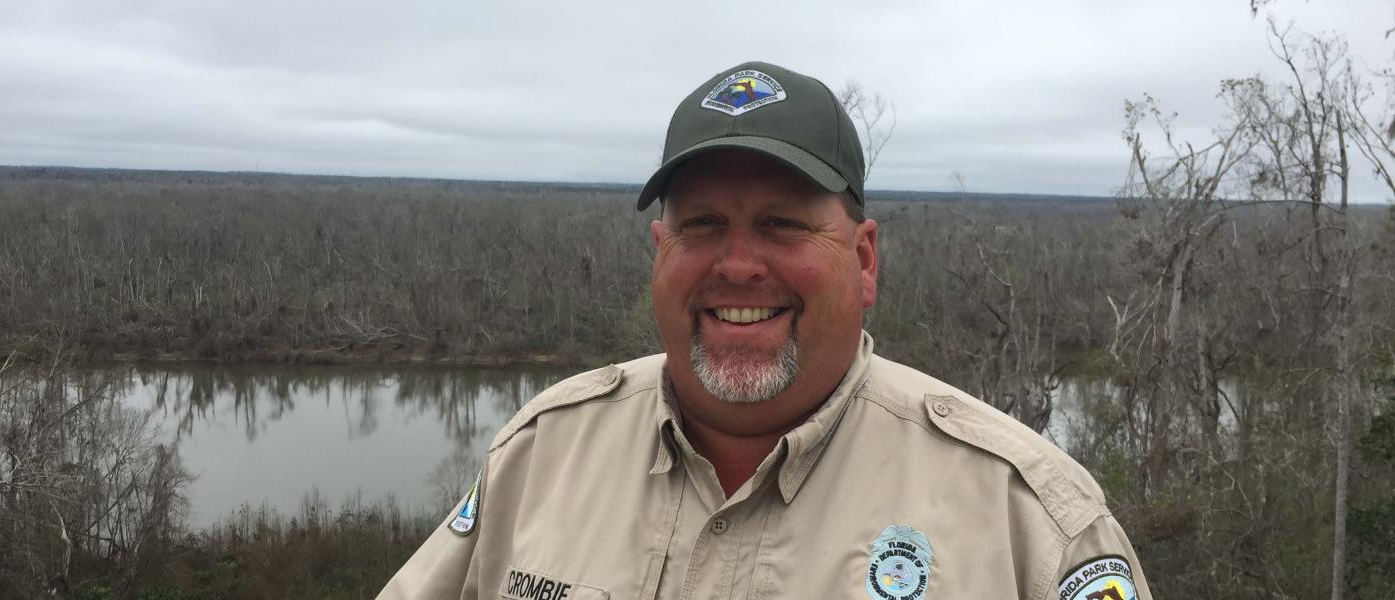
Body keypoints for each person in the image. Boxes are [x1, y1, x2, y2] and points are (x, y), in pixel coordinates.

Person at [378, 61, 1152, 600]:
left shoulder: (1029, 518)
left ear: (864, 258)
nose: (739, 266)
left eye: (782, 225)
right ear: (661, 253)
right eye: (704, 225)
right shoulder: (541, 456)